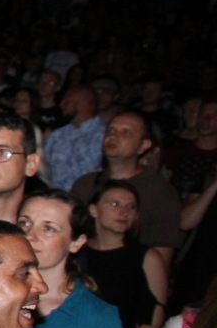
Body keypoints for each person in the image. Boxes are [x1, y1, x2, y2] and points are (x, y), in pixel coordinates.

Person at [19, 189, 126, 328]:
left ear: (76, 243)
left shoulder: (97, 316)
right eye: (24, 223)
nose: (30, 235)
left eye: (49, 228)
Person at [71, 110, 186, 268]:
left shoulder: (160, 191)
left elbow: (162, 255)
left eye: (126, 132)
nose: (113, 136)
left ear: (143, 145)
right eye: (110, 130)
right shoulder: (85, 184)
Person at [84, 179, 168, 328]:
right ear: (94, 209)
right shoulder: (76, 253)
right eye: (114, 204)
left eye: (131, 207)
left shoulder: (147, 257)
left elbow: (152, 322)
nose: (124, 212)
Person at [42, 84, 105, 191]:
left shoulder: (102, 136)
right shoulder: (57, 135)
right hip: (56, 199)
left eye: (67, 101)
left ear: (82, 103)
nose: (61, 105)